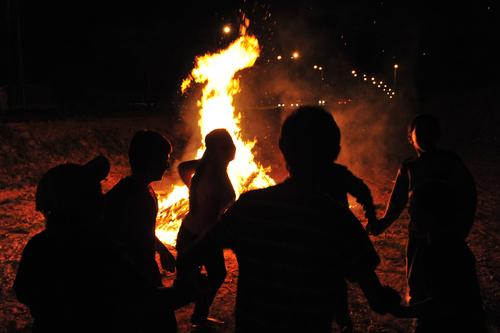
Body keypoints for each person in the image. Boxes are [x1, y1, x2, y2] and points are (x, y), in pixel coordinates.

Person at [186, 107, 403, 333]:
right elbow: (376, 299)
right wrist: (391, 299)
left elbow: (194, 253)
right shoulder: (340, 221)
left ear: (283, 148)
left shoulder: (250, 207)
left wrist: (191, 287)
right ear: (335, 151)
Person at [369, 114, 486, 332]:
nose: (424, 135)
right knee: (419, 279)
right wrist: (383, 223)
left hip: (446, 233)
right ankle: (422, 316)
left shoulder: (450, 162)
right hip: (420, 236)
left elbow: (468, 195)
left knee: (444, 284)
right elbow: (398, 200)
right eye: (419, 131)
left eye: (428, 130)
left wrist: (461, 228)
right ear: (410, 137)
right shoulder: (410, 166)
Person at [104, 130, 177, 332]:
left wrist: (161, 249)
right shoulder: (126, 197)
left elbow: (142, 229)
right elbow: (114, 241)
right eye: (165, 158)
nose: (167, 164)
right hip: (132, 278)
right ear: (150, 160)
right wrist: (140, 278)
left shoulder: (147, 190)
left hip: (145, 270)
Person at [175, 128, 236, 329]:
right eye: (228, 144)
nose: (233, 148)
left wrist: (191, 187)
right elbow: (210, 217)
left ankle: (199, 316)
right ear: (220, 149)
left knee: (214, 274)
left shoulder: (208, 165)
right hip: (199, 236)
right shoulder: (214, 177)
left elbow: (183, 168)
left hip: (192, 232)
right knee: (189, 287)